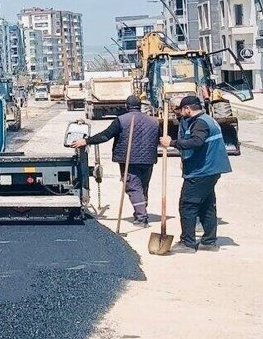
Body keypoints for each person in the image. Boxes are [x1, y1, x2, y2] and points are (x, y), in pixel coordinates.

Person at [71, 95, 159, 226]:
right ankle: (141, 211)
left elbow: (106, 135)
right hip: (148, 160)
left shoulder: (122, 120)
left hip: (129, 160)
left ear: (126, 106)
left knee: (133, 187)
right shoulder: (154, 121)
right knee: (143, 186)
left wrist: (86, 141)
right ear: (140, 106)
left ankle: (141, 217)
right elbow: (158, 138)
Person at [160, 95, 232, 253]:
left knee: (187, 205)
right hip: (211, 170)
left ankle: (188, 243)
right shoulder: (206, 119)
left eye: (181, 110)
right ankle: (209, 242)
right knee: (207, 205)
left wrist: (171, 143)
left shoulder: (200, 123)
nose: (179, 113)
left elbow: (196, 142)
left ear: (188, 109)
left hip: (202, 171)